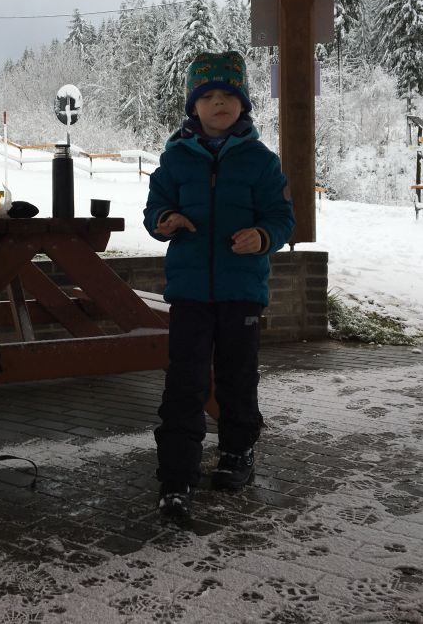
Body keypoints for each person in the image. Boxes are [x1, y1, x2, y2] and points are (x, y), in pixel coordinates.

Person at [143, 50, 295, 521]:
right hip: (189, 292)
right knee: (184, 383)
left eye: (228, 94)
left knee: (237, 378)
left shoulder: (261, 162)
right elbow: (154, 211)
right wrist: (165, 221)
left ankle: (237, 453)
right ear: (193, 106)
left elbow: (282, 217)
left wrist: (265, 236)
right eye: (207, 96)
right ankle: (176, 478)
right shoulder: (174, 160)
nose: (218, 103)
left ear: (243, 103)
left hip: (241, 290)